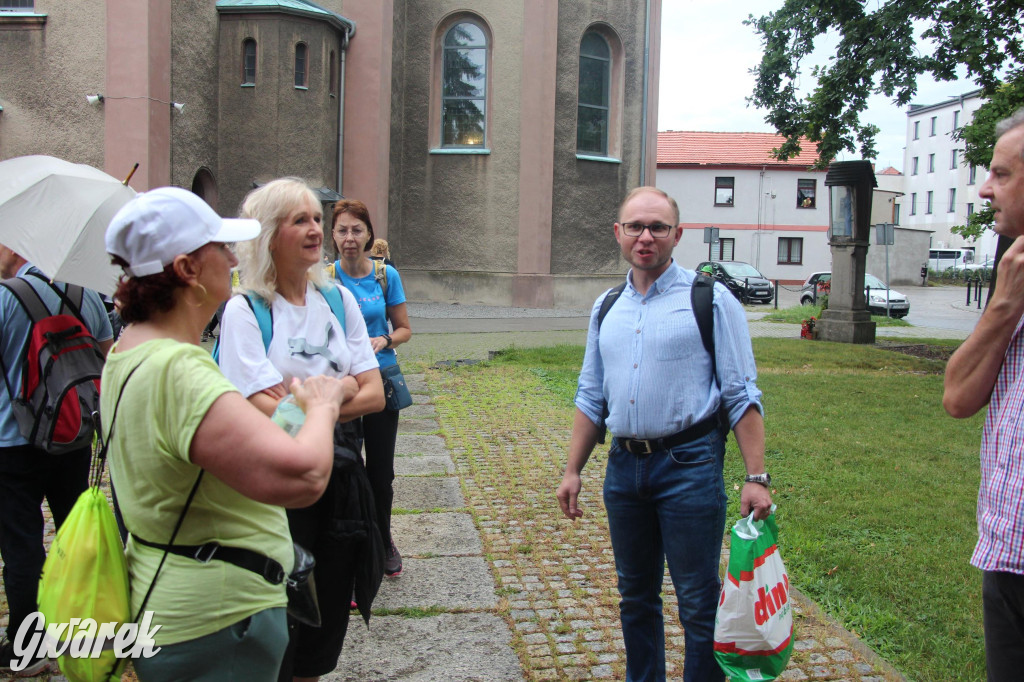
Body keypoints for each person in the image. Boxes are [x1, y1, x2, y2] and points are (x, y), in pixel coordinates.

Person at [99, 186, 353, 681]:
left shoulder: (131, 349)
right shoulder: (179, 370)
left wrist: (288, 414)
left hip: (172, 594)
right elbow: (303, 477)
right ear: (187, 270)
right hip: (215, 622)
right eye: (219, 247)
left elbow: (207, 453)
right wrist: (322, 406)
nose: (233, 256)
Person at [556, 186, 773, 682]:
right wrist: (572, 470)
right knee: (635, 597)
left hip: (689, 467)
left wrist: (756, 475)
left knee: (697, 602)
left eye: (657, 227)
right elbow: (592, 395)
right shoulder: (606, 306)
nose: (645, 237)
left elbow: (741, 394)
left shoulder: (710, 299)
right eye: (635, 226)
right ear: (619, 233)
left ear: (678, 234)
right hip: (624, 470)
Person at [218, 179, 385, 682]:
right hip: (275, 488)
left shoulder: (337, 302)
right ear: (270, 235)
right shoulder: (245, 311)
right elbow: (253, 407)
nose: (316, 230)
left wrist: (305, 400)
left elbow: (376, 392)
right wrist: (335, 394)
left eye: (317, 218)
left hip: (339, 483)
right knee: (278, 622)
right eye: (300, 220)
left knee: (325, 621)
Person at [0, 246, 114, 676]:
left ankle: (27, 649)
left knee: (22, 545)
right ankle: (82, 631)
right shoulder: (83, 293)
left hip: (11, 440)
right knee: (76, 538)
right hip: (72, 434)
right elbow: (107, 357)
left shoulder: (5, 297)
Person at [943, 107, 1024, 680]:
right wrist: (1003, 303)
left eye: (1002, 174)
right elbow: (959, 397)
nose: (984, 188)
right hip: (1009, 545)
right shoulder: (1013, 270)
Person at [329, 200, 411, 578]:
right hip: (342, 386)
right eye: (342, 230)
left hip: (380, 384)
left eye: (356, 230)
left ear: (368, 235)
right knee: (345, 469)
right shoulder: (324, 279)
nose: (349, 238)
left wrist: (385, 340)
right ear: (333, 235)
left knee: (381, 473)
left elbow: (404, 328)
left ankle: (383, 540)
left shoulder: (384, 276)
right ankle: (350, 546)